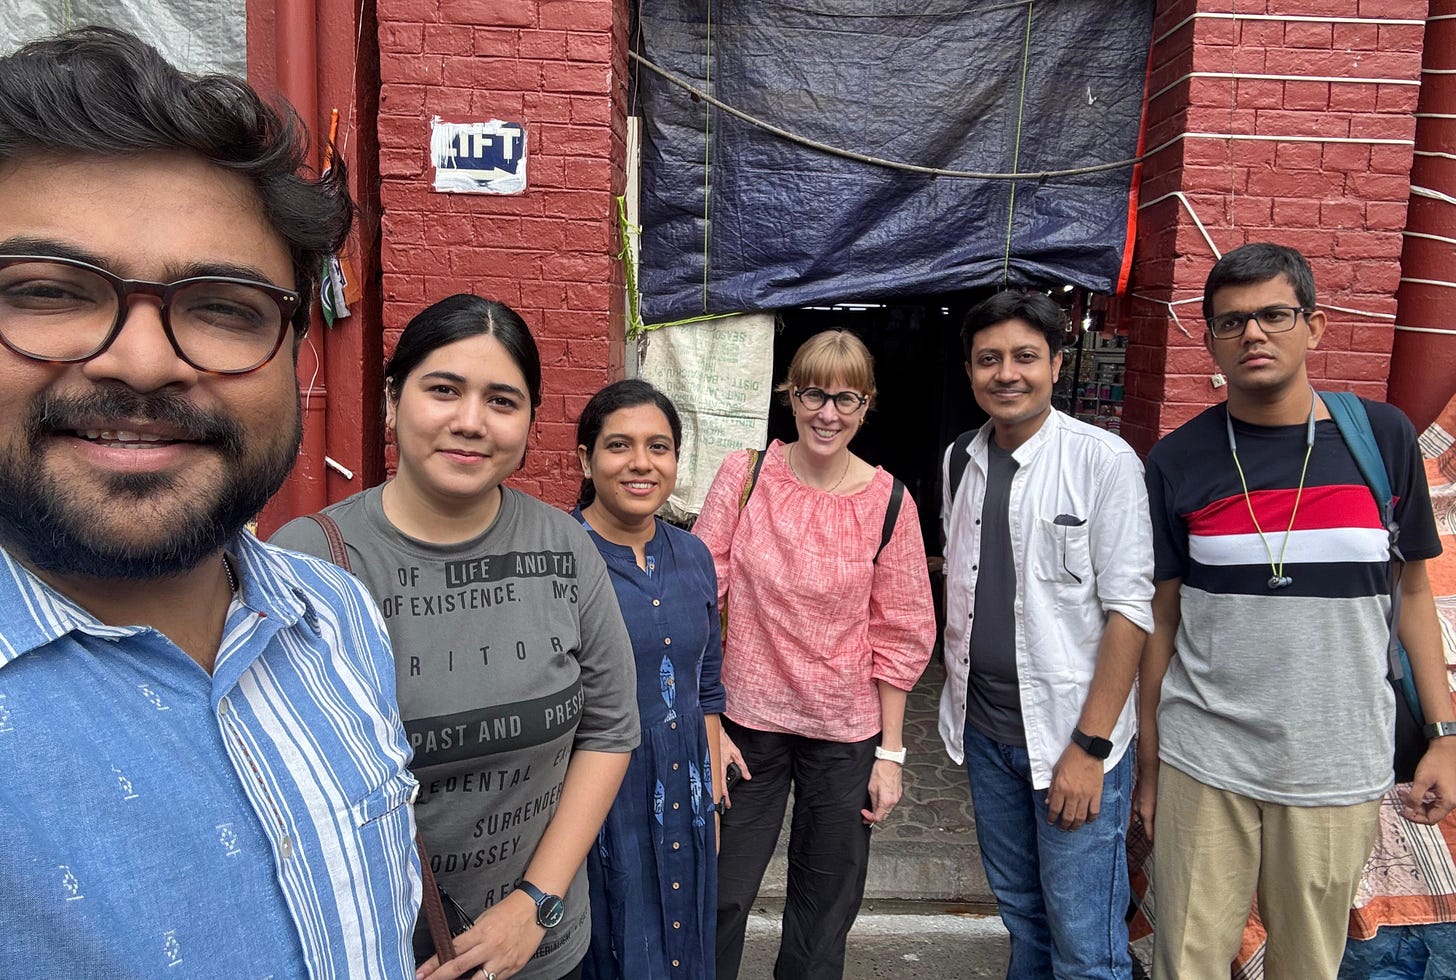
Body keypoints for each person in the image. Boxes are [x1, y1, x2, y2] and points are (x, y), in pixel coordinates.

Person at [0, 26, 420, 979]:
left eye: (223, 307)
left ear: (295, 355)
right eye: (50, 293)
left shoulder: (335, 616)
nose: (144, 362)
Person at [271, 295, 638, 980]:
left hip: (540, 950)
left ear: (529, 422)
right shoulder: (308, 563)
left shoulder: (565, 546)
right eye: (443, 390)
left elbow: (610, 730)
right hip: (374, 953)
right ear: (393, 400)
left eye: (502, 401)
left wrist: (534, 905)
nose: (471, 421)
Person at [1139, 242, 1456, 980]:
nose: (1253, 334)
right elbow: (1162, 620)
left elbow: (1412, 593)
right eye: (1231, 322)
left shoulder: (1381, 439)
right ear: (1210, 340)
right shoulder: (1178, 459)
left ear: (1314, 326)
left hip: (1336, 759)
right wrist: (1151, 769)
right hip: (1205, 754)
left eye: (1274, 315)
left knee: (1308, 962)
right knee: (1186, 961)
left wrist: (1444, 735)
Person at [693, 329, 936, 980]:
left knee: (822, 914)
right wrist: (706, 727)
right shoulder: (745, 477)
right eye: (813, 395)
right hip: (746, 726)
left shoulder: (890, 503)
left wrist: (890, 756)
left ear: (866, 404)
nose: (828, 413)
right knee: (720, 893)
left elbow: (902, 632)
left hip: (844, 736)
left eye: (845, 398)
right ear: (791, 395)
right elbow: (699, 599)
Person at [936, 290, 1154, 979]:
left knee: (1085, 943)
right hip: (986, 732)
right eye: (989, 359)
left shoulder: (1103, 461)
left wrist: (1090, 748)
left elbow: (1131, 611)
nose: (1007, 374)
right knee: (1023, 917)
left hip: (1072, 738)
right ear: (970, 371)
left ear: (1057, 365)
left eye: (1025, 357)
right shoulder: (959, 460)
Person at [573, 379, 725, 980]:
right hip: (599, 795)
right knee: (615, 944)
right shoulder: (562, 558)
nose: (641, 463)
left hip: (686, 788)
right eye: (619, 446)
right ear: (585, 459)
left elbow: (705, 683)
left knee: (686, 946)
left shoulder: (694, 555)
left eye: (658, 447)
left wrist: (711, 794)